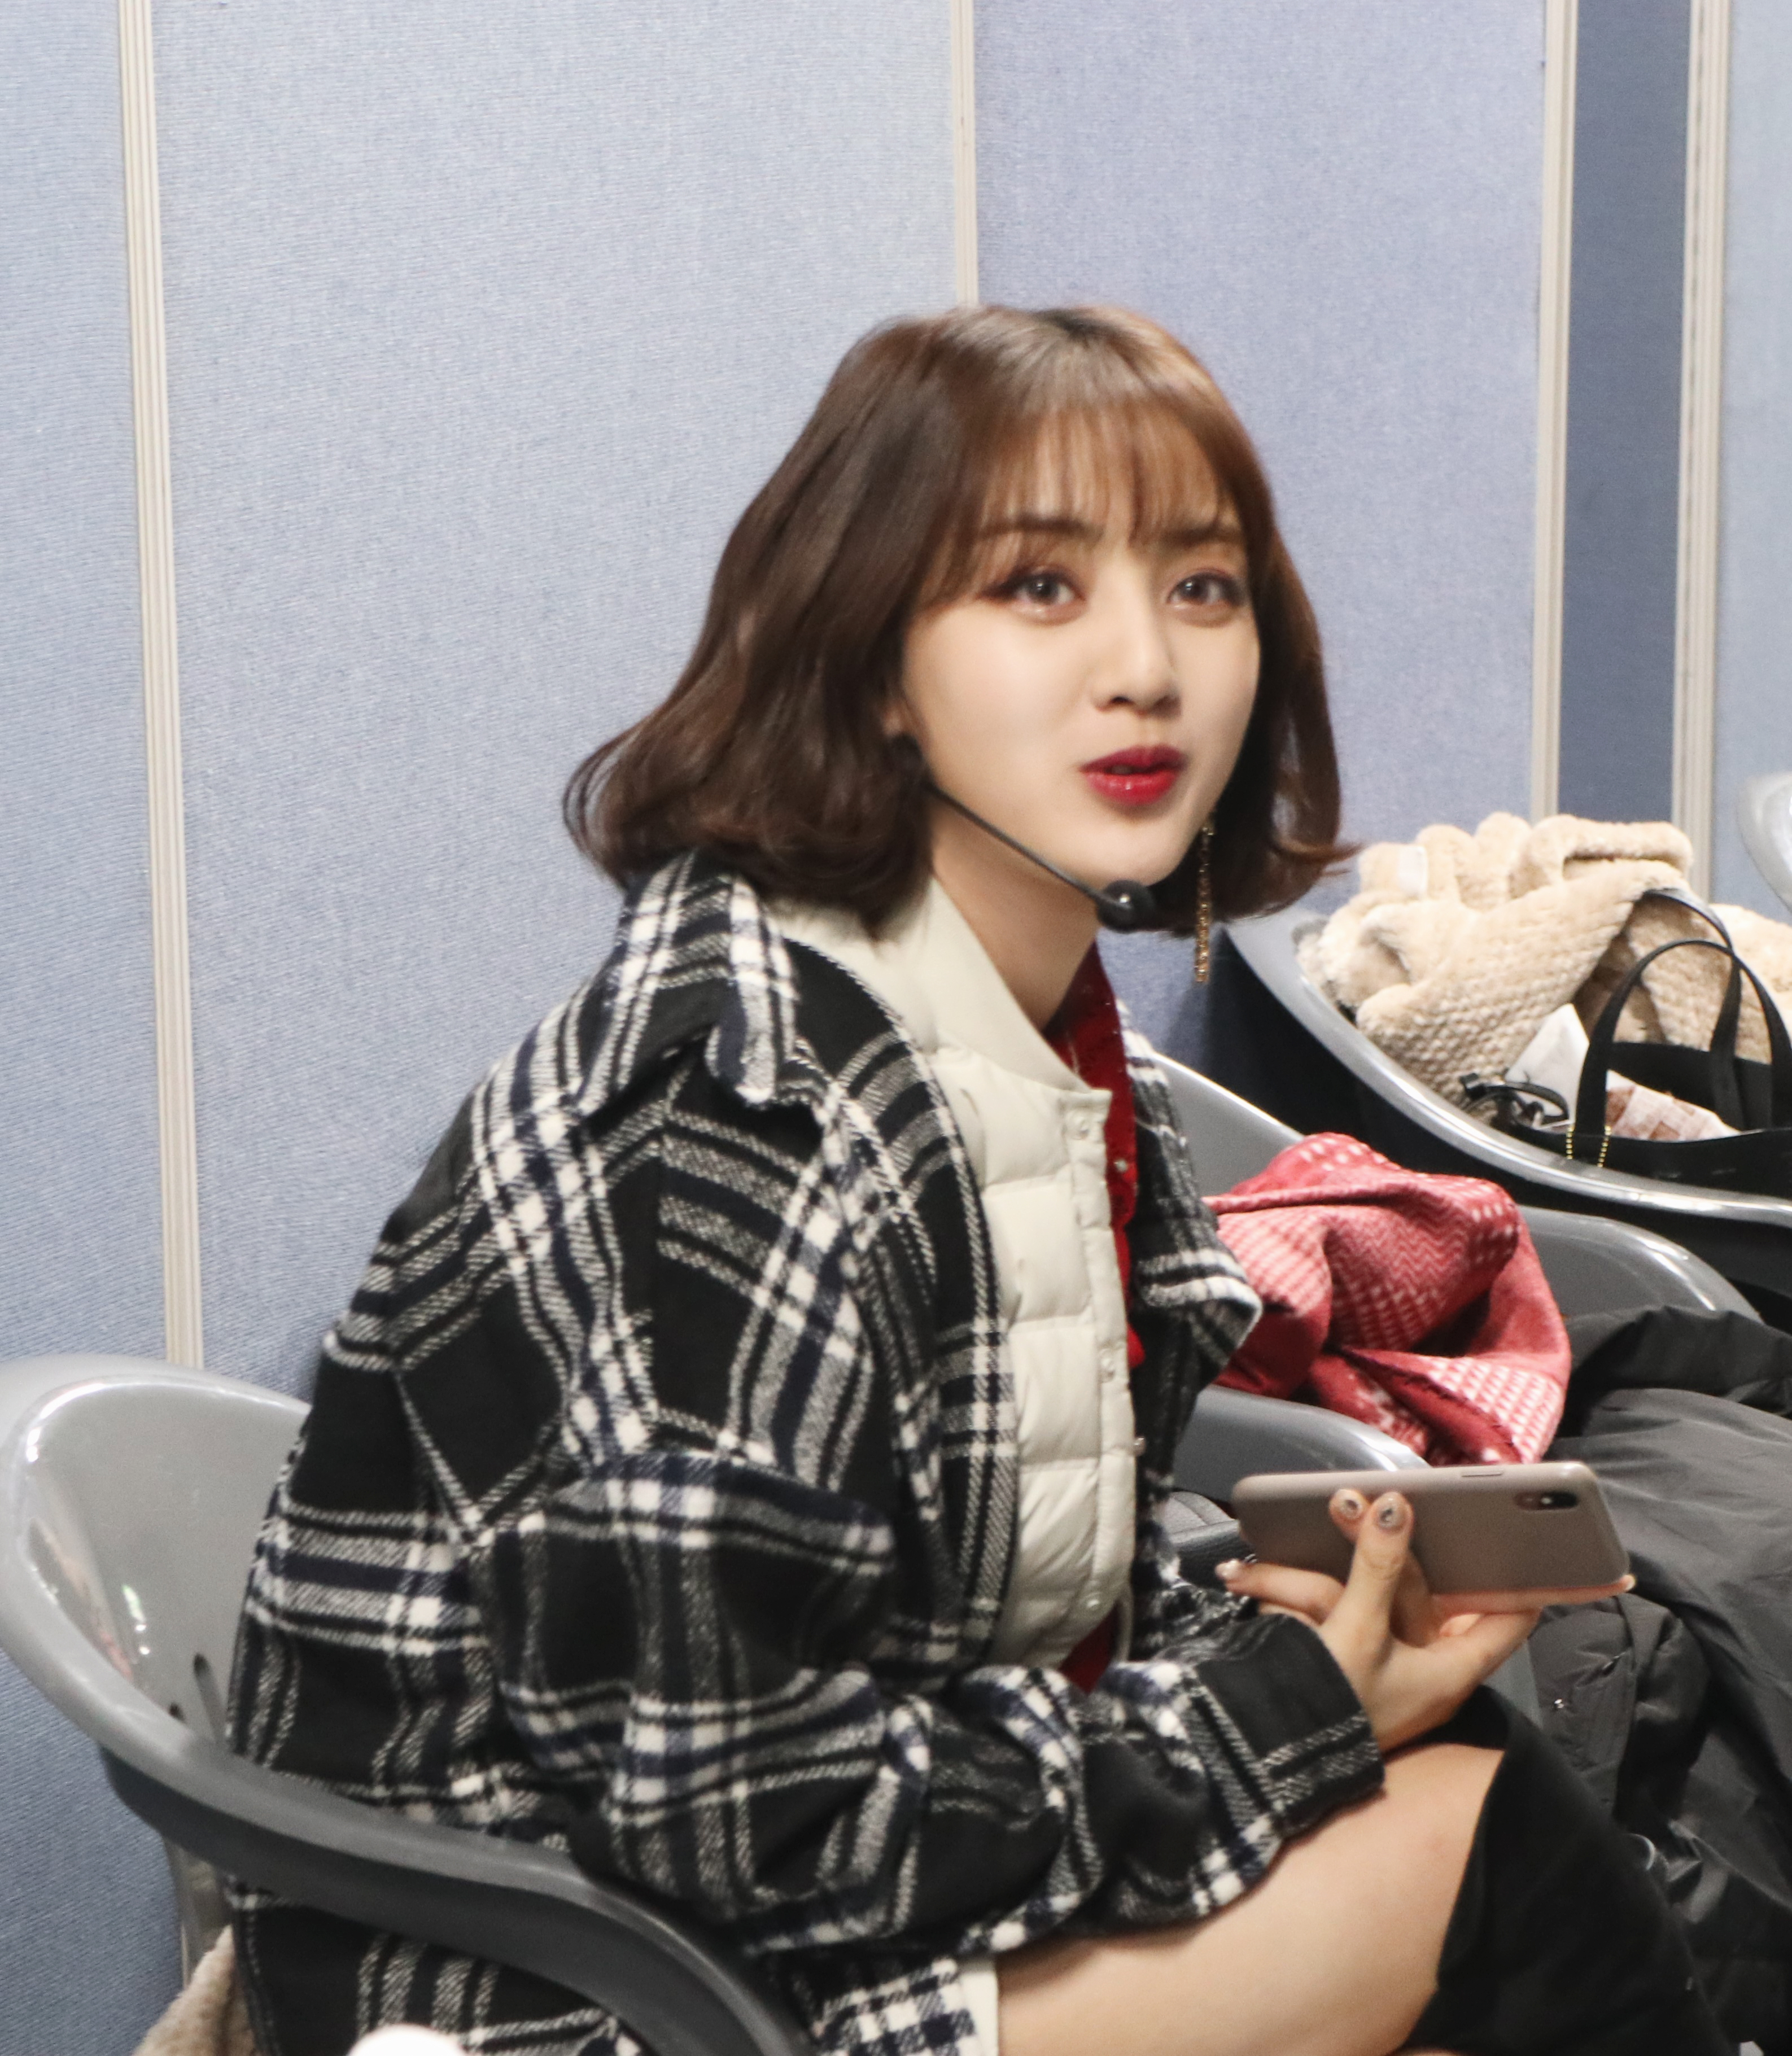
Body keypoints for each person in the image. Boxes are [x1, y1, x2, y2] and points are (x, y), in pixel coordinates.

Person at [228, 305, 1729, 2056]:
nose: (1144, 667)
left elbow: (971, 1644)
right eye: (1038, 586)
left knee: (1472, 1780)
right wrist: (1271, 1717)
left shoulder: (1047, 1042)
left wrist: (1291, 1667)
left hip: (771, 1904)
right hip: (569, 1987)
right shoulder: (747, 1109)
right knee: (1494, 1858)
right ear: (873, 656)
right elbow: (744, 1819)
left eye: (1202, 585)